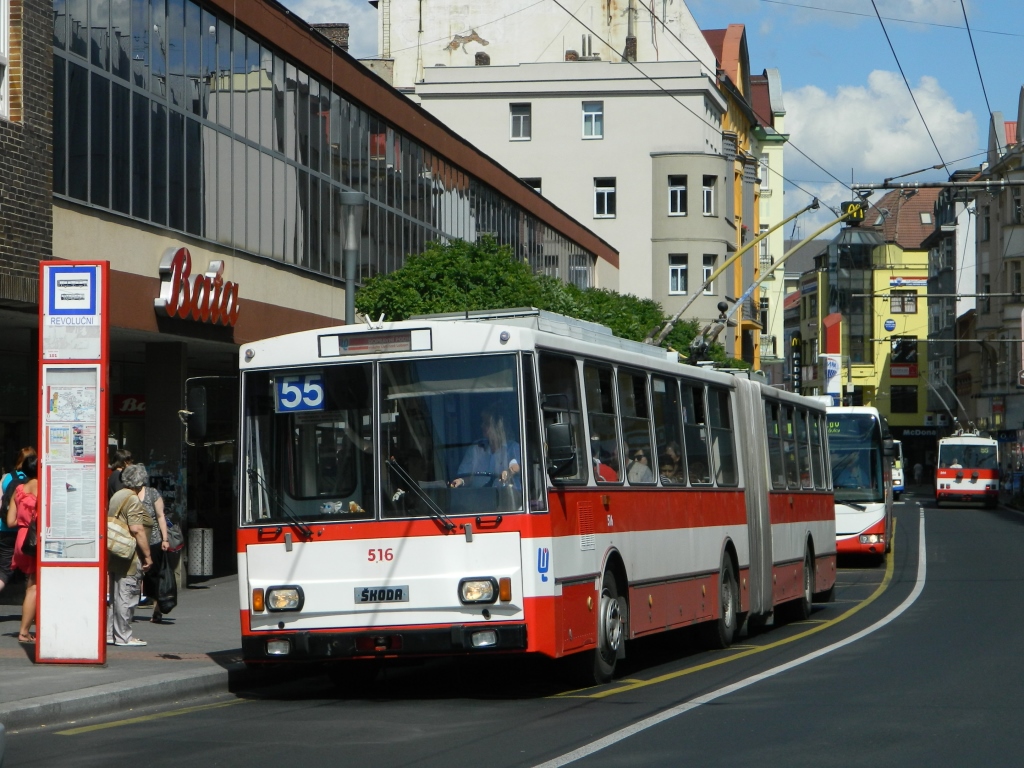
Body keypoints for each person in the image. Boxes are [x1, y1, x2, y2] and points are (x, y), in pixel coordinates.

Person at [107, 464, 154, 647]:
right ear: (140, 482)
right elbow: (137, 529)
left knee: (116, 595)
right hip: (129, 554)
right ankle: (124, 636)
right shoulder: (132, 499)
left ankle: (111, 633)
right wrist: (147, 556)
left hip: (115, 551)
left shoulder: (118, 495)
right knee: (127, 594)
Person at [133, 465, 172, 623]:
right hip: (134, 540)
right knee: (135, 575)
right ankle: (130, 608)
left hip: (154, 540)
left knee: (154, 576)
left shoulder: (152, 493)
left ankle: (157, 609)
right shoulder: (129, 494)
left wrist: (165, 539)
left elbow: (160, 516)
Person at [7, 455, 38, 644]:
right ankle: (24, 631)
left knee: (30, 584)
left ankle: (31, 623)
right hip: (34, 539)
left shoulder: (19, 489)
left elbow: (10, 521)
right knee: (34, 587)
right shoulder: (43, 487)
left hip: (21, 538)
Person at [449, 410, 521, 488]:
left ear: (498, 426)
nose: (482, 426)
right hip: (479, 495)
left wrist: (509, 472)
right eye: (482, 422)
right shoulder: (476, 448)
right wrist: (460, 481)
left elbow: (518, 466)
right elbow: (467, 475)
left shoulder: (513, 448)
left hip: (506, 495)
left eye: (487, 423)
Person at [0, 447, 35, 596]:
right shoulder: (34, 482)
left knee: (4, 569)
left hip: (4, 529)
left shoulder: (7, 477)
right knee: (29, 572)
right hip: (26, 532)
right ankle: (30, 601)